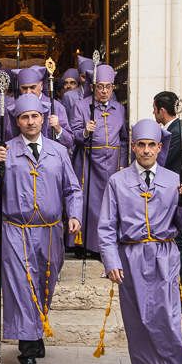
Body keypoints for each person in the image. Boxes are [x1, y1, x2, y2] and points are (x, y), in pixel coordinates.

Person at [98, 119, 182, 364]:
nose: (146, 150)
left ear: (160, 147)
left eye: (151, 145)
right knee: (138, 321)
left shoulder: (172, 179)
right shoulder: (118, 181)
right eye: (141, 144)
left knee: (167, 320)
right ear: (133, 147)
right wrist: (111, 261)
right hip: (131, 258)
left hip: (164, 257)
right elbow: (106, 226)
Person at [0, 93, 82, 364]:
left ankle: (36, 327)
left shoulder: (59, 151)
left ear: (42, 119)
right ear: (17, 121)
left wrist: (75, 215)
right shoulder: (6, 151)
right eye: (24, 117)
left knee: (45, 282)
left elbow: (73, 189)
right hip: (16, 230)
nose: (30, 122)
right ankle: (27, 351)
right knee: (21, 286)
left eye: (35, 116)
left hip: (51, 230)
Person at [70, 64, 128, 255]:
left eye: (108, 87)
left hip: (112, 163)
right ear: (94, 87)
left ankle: (107, 245)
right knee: (90, 203)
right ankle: (86, 245)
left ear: (113, 87)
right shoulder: (81, 106)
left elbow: (125, 139)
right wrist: (86, 131)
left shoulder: (119, 109)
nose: (104, 91)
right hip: (89, 161)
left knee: (110, 205)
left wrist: (122, 164)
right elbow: (73, 136)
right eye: (100, 86)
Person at [6, 66, 74, 149]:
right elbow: (7, 136)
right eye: (24, 88)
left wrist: (58, 129)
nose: (28, 92)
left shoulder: (56, 107)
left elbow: (70, 142)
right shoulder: (13, 107)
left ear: (41, 86)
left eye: (32, 87)